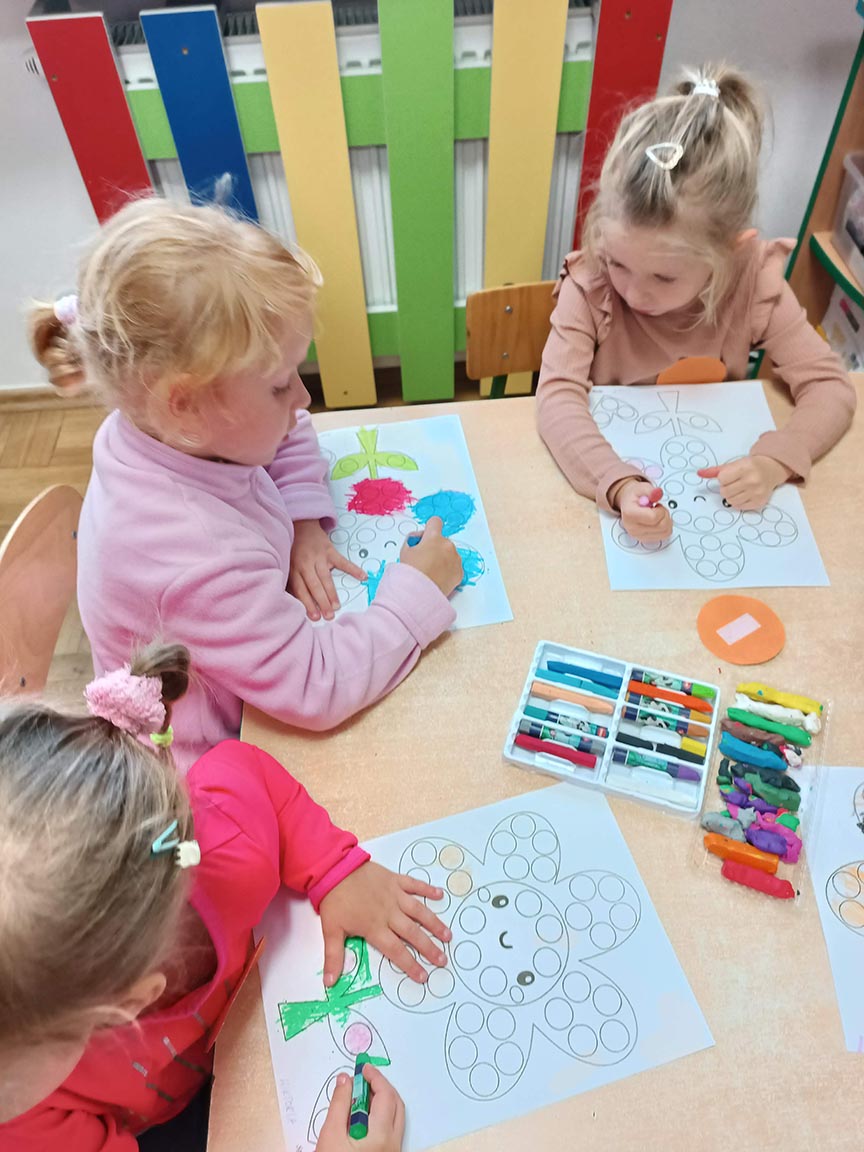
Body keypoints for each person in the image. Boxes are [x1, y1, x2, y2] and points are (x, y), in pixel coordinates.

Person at [28, 198, 462, 770]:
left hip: (246, 687)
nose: (303, 397)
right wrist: (418, 592)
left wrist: (302, 521)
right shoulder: (191, 553)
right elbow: (317, 682)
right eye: (280, 385)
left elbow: (289, 428)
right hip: (208, 766)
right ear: (184, 404)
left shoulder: (162, 427)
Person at [0, 644, 442, 1150]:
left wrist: (333, 866)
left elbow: (245, 771)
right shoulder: (23, 1126)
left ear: (132, 1000)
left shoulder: (221, 849)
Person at [536, 65, 856, 544]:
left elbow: (831, 388)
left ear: (732, 251)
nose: (634, 293)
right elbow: (557, 397)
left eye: (664, 277)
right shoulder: (593, 282)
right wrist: (617, 483)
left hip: (710, 497)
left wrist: (775, 461)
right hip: (606, 501)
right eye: (619, 262)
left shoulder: (753, 282)